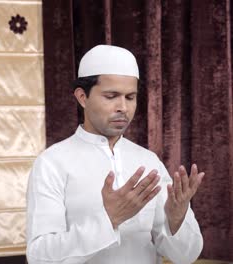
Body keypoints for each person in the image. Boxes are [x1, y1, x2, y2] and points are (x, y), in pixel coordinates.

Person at [26, 45, 204, 264]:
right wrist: (109, 219)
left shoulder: (148, 162)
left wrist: (177, 219)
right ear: (82, 97)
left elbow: (187, 256)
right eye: (111, 96)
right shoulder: (52, 163)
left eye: (130, 97)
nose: (123, 107)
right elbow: (40, 256)